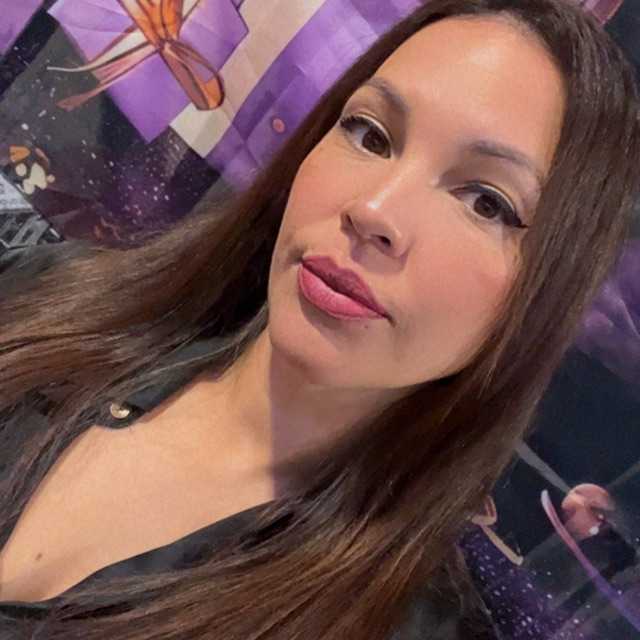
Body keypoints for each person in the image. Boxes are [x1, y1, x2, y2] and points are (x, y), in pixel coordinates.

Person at [0, 0, 639, 637]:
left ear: (545, 299)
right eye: (369, 134)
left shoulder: (395, 625)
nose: (374, 210)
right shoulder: (51, 297)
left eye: (486, 202)